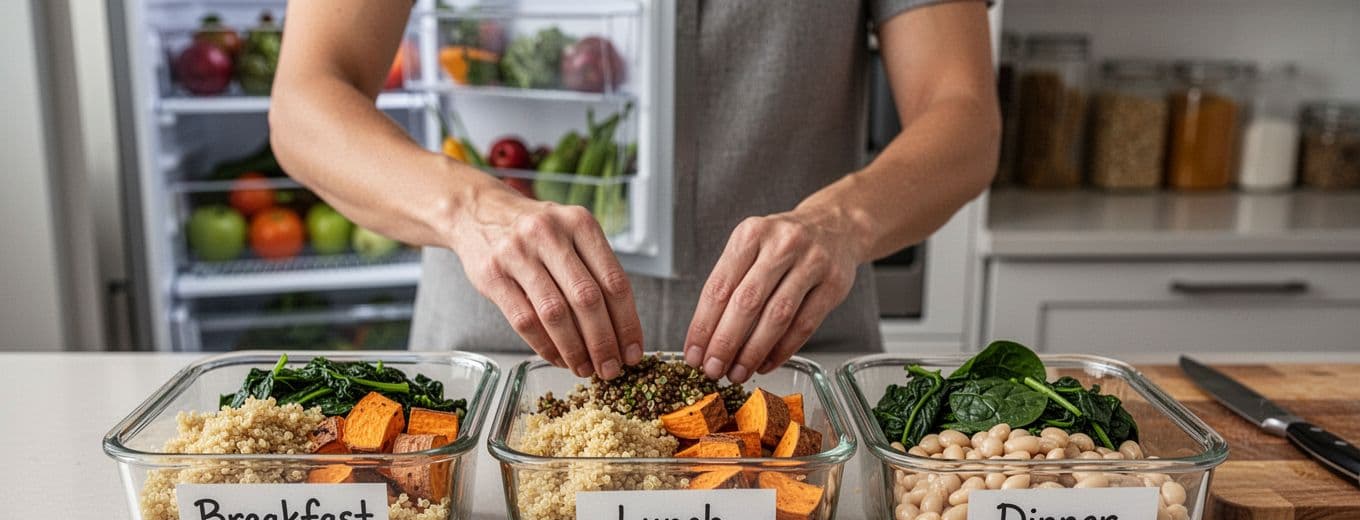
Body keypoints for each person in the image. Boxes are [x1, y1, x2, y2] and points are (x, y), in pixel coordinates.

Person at [271, 0, 998, 382]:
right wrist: (469, 210)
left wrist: (844, 221)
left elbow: (963, 115)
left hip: (791, 359)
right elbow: (306, 101)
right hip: (498, 354)